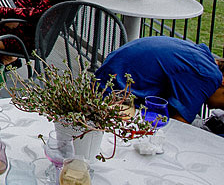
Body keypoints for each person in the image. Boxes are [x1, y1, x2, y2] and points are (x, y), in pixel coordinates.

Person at [96, 37, 224, 124]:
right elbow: (179, 125)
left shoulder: (203, 58)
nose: (219, 108)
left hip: (105, 81)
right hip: (111, 98)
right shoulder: (208, 75)